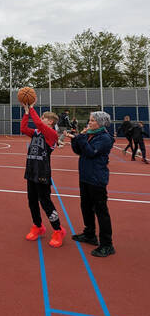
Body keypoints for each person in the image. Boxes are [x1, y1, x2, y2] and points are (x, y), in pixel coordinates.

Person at [65, 111, 115, 257]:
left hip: (97, 179)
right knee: (85, 207)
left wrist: (80, 137)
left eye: (92, 120)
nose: (89, 122)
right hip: (85, 177)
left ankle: (107, 244)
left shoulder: (105, 138)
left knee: (101, 211)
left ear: (100, 123)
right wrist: (75, 140)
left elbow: (91, 152)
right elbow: (79, 151)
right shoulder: (90, 135)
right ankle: (90, 234)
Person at [21, 102, 66, 248]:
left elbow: (39, 124)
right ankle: (38, 226)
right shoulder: (36, 133)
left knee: (45, 202)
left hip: (42, 173)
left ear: (50, 121)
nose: (40, 119)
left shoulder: (52, 134)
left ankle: (58, 230)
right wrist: (27, 113)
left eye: (43, 118)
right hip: (31, 170)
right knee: (32, 201)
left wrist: (32, 108)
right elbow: (23, 128)